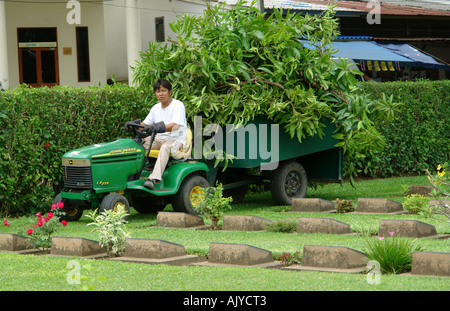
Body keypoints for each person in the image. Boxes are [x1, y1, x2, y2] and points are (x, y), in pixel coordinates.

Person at [140, 79, 187, 190]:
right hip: (159, 139)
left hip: (177, 140)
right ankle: (134, 174)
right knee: (139, 143)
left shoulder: (178, 105)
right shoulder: (155, 108)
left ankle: (153, 179)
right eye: (157, 91)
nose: (160, 94)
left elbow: (175, 125)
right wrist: (135, 125)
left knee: (165, 147)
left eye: (163, 91)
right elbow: (144, 124)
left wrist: (157, 127)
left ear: (170, 92)